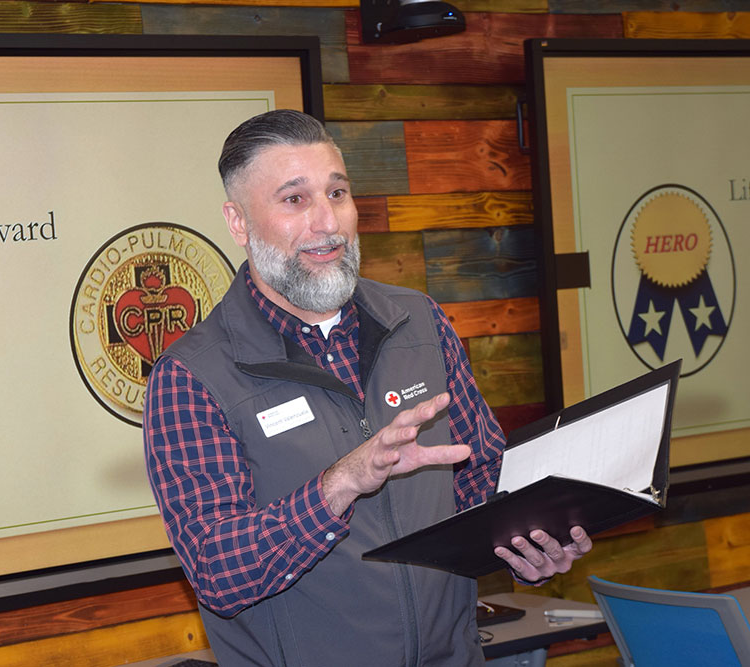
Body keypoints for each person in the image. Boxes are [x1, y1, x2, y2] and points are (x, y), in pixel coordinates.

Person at [143, 109, 591, 666]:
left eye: (338, 192)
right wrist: (341, 484)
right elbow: (218, 571)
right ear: (238, 223)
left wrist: (530, 540)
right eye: (294, 199)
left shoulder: (419, 321)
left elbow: (482, 480)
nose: (327, 222)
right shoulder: (191, 377)